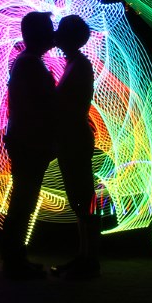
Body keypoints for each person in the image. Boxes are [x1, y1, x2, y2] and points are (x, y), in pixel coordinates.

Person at [1, 11, 56, 280]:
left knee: (25, 200)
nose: (53, 33)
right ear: (36, 34)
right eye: (48, 28)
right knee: (23, 200)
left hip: (26, 139)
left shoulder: (29, 62)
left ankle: (17, 257)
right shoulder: (30, 64)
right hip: (28, 141)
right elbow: (39, 105)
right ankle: (13, 260)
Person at [50, 14, 101, 280]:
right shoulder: (75, 63)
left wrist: (49, 91)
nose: (55, 36)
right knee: (79, 198)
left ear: (71, 38)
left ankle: (89, 258)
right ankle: (84, 256)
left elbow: (69, 103)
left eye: (61, 32)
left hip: (75, 138)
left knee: (82, 198)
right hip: (72, 137)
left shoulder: (79, 65)